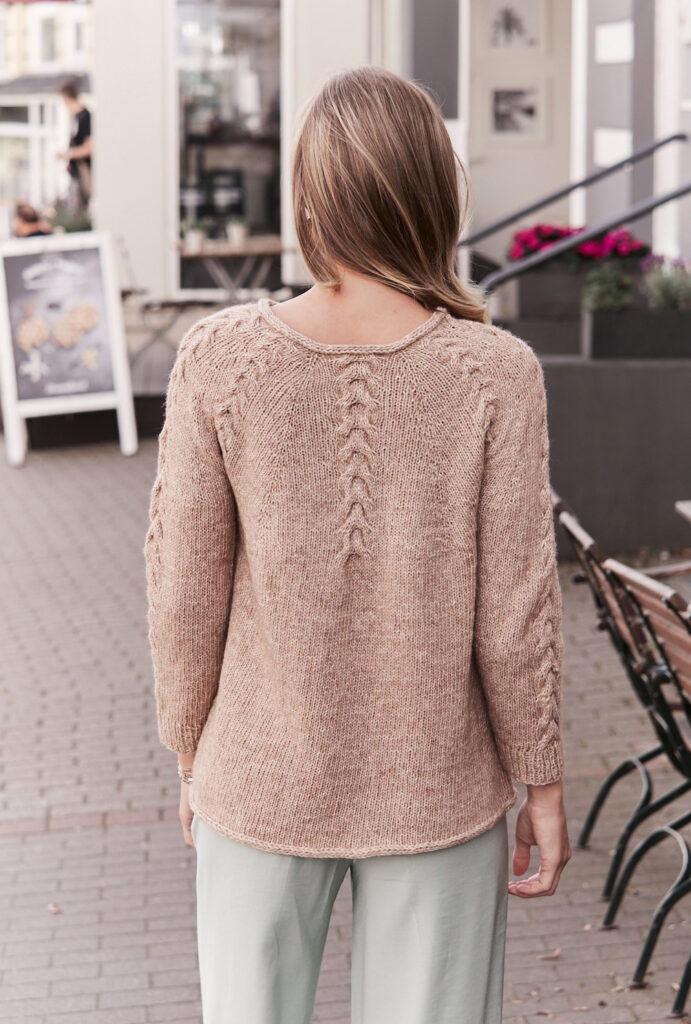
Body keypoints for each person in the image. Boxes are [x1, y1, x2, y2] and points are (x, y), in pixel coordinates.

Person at [144, 64, 571, 1024]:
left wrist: (190, 753)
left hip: (257, 779)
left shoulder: (219, 359)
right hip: (439, 788)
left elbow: (182, 592)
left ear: (309, 195)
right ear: (437, 192)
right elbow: (516, 612)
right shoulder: (495, 371)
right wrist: (540, 776)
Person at [57, 79, 92, 213]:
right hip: (75, 173)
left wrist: (68, 155)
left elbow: (89, 148)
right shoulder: (75, 118)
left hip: (82, 175)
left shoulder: (85, 117)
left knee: (77, 213)